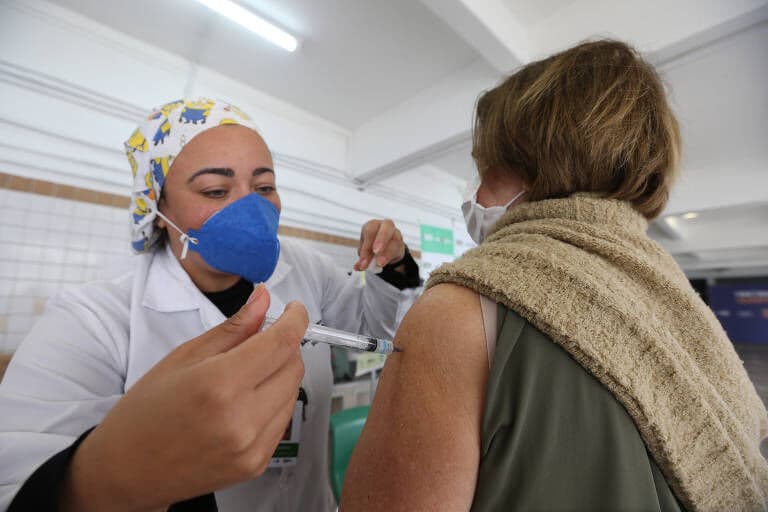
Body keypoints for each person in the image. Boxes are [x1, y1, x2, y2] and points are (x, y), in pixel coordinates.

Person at [342, 40, 768, 512]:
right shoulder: (678, 305)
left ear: (531, 169)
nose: (476, 193)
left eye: (484, 170)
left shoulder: (457, 312)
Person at [0, 98, 421, 511]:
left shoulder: (307, 270)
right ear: (158, 205)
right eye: (216, 189)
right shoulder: (92, 320)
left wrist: (396, 266)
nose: (250, 207)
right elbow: (12, 483)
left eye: (264, 187)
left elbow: (372, 329)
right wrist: (106, 477)